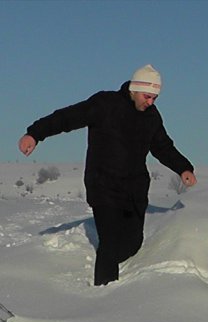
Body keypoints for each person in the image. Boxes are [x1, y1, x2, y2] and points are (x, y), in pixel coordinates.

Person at [18, 64, 197, 286]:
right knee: (110, 242)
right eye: (147, 96)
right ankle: (104, 296)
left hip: (134, 190)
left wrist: (183, 168)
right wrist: (35, 134)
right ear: (134, 89)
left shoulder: (151, 116)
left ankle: (110, 270)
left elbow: (163, 146)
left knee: (132, 244)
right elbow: (67, 117)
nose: (150, 102)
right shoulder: (105, 104)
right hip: (103, 185)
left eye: (154, 98)